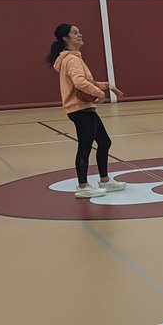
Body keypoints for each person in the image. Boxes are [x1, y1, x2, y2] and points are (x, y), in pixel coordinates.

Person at [46, 22, 126, 200]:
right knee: (85, 147)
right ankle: (82, 186)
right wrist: (99, 94)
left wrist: (107, 86)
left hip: (84, 109)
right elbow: (79, 83)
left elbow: (87, 82)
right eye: (75, 33)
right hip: (80, 109)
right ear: (66, 38)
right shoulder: (72, 59)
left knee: (104, 142)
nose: (80, 35)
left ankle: (104, 180)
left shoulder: (73, 58)